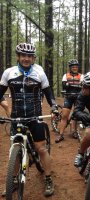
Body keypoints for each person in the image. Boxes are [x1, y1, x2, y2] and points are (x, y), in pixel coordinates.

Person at [0, 42, 58, 197]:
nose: (26, 59)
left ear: (33, 58)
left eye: (29, 56)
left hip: (35, 117)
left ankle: (48, 178)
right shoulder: (9, 73)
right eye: (23, 55)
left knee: (41, 149)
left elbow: (49, 94)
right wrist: (7, 108)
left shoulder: (39, 73)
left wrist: (54, 107)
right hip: (16, 117)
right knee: (16, 151)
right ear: (18, 56)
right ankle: (14, 181)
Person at [55, 59, 84, 143]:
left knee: (76, 115)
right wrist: (77, 85)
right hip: (69, 97)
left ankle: (74, 132)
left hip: (78, 98)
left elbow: (82, 86)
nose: (75, 68)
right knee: (64, 116)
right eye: (73, 67)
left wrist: (70, 85)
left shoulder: (81, 76)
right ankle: (60, 135)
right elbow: (64, 86)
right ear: (70, 68)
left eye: (76, 67)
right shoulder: (66, 75)